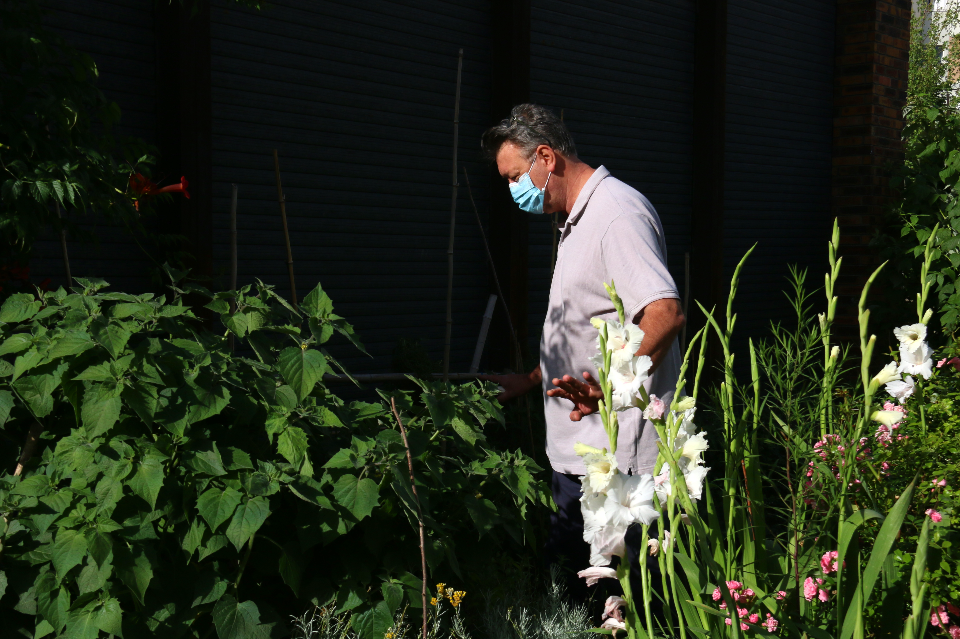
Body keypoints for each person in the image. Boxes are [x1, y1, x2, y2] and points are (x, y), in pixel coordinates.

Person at [479, 104, 685, 603]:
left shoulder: (615, 214)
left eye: (513, 177)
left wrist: (610, 387)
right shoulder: (576, 221)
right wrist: (530, 380)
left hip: (620, 468)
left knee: (617, 603)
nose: (512, 191)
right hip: (582, 459)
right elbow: (580, 331)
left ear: (545, 157)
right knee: (576, 600)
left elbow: (663, 312)